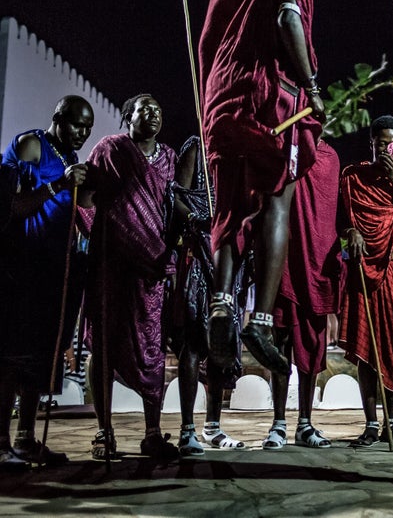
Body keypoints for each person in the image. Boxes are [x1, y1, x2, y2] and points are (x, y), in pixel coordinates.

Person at [198, 0, 327, 377]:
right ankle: (260, 319)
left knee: (229, 210)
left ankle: (220, 303)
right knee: (277, 201)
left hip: (220, 104)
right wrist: (312, 88)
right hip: (270, 99)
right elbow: (288, 18)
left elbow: (210, 44)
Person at [80, 94, 178, 459]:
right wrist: (106, 232)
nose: (152, 114)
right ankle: (104, 432)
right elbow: (87, 200)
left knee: (152, 350)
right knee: (103, 345)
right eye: (144, 109)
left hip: (151, 270)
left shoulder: (169, 158)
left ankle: (153, 432)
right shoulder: (110, 149)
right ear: (128, 116)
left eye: (158, 110)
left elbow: (173, 208)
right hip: (112, 265)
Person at [0, 96, 93, 468]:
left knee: (39, 360)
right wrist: (58, 186)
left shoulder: (70, 159)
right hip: (20, 268)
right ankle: (0, 442)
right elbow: (12, 205)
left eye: (88, 128)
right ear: (57, 118)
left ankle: (25, 439)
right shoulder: (32, 144)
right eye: (76, 125)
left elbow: (79, 210)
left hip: (55, 271)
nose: (83, 133)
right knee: (10, 358)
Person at [340, 116, 393, 447]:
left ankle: (392, 422)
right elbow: (340, 224)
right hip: (364, 270)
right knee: (365, 348)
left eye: (392, 144)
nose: (387, 149)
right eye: (381, 143)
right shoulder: (353, 177)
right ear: (371, 144)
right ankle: (371, 424)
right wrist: (352, 233)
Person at [169, 135, 250, 455]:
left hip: (232, 259)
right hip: (199, 256)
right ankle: (187, 428)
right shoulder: (196, 148)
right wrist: (194, 219)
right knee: (192, 342)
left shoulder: (244, 152)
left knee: (221, 341)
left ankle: (212, 426)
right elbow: (175, 196)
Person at [263, 137, 343, 450]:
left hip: (318, 264)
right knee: (280, 346)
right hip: (284, 261)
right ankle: (278, 423)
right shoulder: (285, 152)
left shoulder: (330, 158)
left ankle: (306, 423)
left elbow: (329, 214)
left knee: (312, 349)